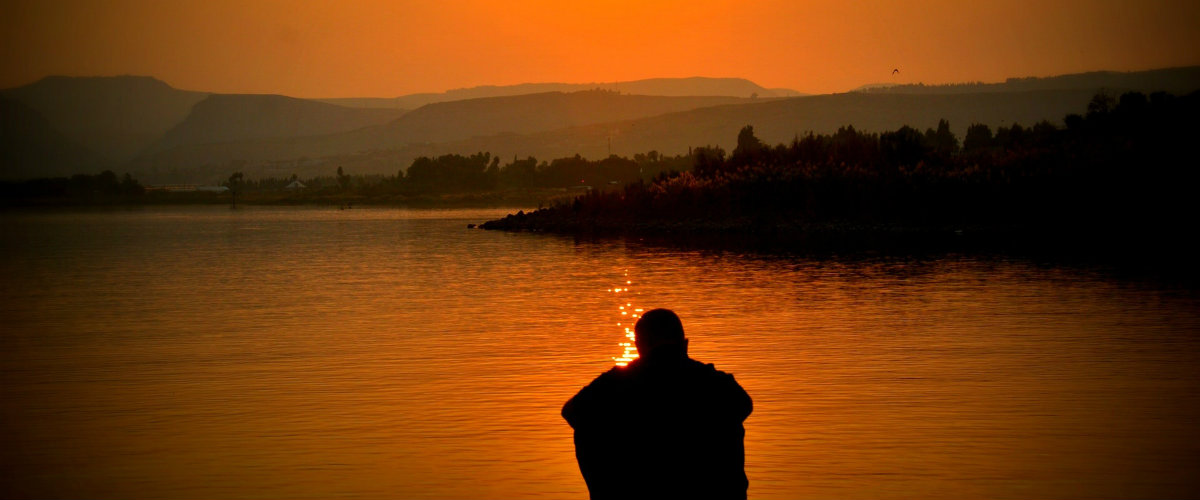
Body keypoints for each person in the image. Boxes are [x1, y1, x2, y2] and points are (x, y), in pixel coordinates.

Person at [562, 309, 752, 500]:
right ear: (685, 344)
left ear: (639, 347)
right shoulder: (716, 382)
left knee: (586, 426)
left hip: (637, 484)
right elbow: (745, 405)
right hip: (708, 487)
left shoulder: (616, 382)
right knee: (730, 419)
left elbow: (571, 412)